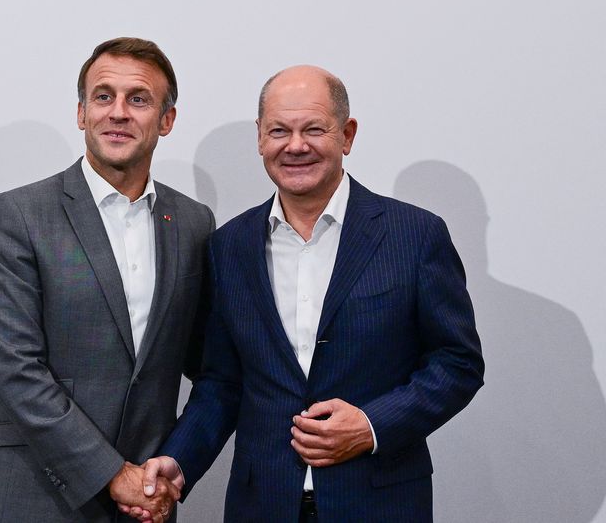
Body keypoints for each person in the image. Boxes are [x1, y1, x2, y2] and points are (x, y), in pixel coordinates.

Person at [129, 65, 484, 522]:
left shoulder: (415, 235)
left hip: (380, 502)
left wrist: (373, 425)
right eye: (279, 130)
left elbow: (458, 363)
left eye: (314, 129)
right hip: (262, 506)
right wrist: (179, 461)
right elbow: (222, 382)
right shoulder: (229, 247)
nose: (295, 145)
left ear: (347, 135)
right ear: (260, 138)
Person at [0, 37, 214, 523]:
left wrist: (170, 467)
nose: (119, 113)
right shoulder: (17, 215)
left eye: (139, 99)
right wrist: (113, 474)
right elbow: (13, 370)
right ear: (82, 113)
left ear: (167, 120)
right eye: (103, 97)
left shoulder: (193, 223)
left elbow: (206, 363)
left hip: (143, 504)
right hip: (25, 495)